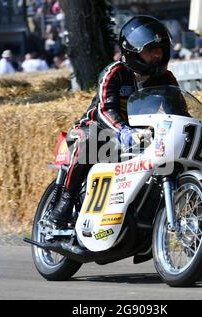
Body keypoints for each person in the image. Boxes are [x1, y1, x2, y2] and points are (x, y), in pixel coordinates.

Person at [47, 16, 179, 229]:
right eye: (150, 50)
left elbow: (177, 111)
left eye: (160, 49)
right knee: (87, 140)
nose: (157, 55)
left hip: (140, 139)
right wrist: (124, 131)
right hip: (100, 132)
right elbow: (105, 110)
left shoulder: (167, 79)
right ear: (133, 52)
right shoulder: (114, 73)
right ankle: (65, 201)